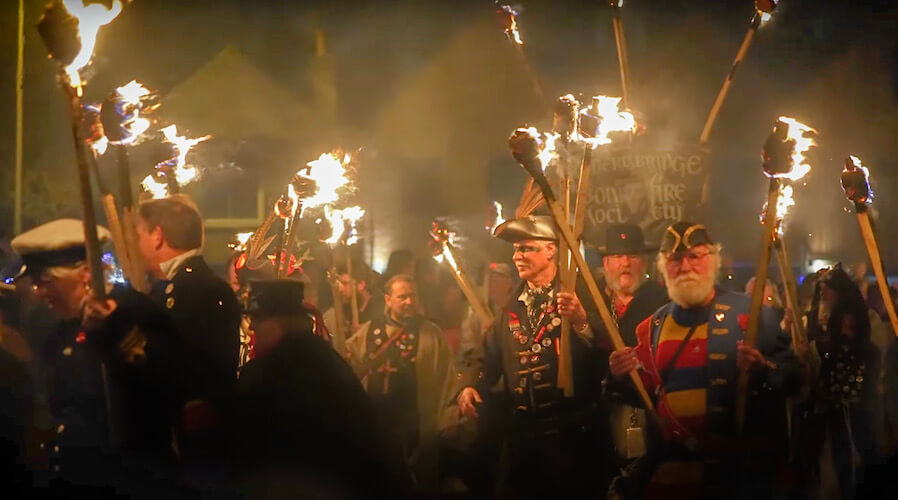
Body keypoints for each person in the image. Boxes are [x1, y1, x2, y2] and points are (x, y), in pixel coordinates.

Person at [607, 221, 799, 498]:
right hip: (673, 482)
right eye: (674, 259)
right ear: (662, 266)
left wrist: (763, 369)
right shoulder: (653, 326)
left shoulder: (755, 315)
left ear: (713, 261)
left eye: (694, 257)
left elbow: (796, 379)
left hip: (739, 481)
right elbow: (647, 393)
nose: (685, 267)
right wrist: (619, 375)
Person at [11, 219, 185, 496]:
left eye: (46, 282)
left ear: (84, 274)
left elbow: (164, 379)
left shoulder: (132, 310)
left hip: (131, 479)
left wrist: (112, 329)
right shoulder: (60, 329)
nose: (40, 293)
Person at [456, 215, 609, 498]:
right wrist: (470, 384)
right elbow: (484, 359)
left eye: (526, 248)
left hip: (573, 438)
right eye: (516, 250)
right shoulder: (509, 308)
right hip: (523, 441)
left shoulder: (580, 295)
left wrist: (580, 321)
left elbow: (604, 348)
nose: (518, 256)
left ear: (550, 250)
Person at [231, 279, 393, 498]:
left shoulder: (269, 371)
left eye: (257, 319)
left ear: (280, 321)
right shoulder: (325, 357)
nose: (251, 327)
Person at [135, 195, 241, 479]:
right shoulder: (174, 287)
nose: (137, 245)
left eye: (140, 235)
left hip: (191, 447)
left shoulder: (194, 289)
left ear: (157, 236)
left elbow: (184, 370)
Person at [345, 274, 456, 494]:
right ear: (388, 299)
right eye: (402, 297)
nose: (409, 302)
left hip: (417, 423)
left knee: (416, 483)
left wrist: (447, 417)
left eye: (412, 296)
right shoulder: (368, 331)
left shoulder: (430, 332)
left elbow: (447, 377)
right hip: (377, 422)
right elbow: (351, 369)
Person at [797, 265, 881, 499]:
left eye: (827, 288)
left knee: (856, 454)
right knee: (836, 455)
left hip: (855, 400)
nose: (822, 292)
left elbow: (848, 349)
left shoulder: (855, 316)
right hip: (829, 401)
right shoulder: (823, 317)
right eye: (820, 287)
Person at [593, 224, 669, 468]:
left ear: (644, 264)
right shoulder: (592, 303)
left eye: (633, 256)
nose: (625, 263)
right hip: (599, 417)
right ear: (606, 264)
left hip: (649, 412)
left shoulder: (663, 304)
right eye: (617, 257)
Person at [323, 258, 384, 356]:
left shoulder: (383, 310)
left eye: (345, 283)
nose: (340, 288)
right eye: (339, 283)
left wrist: (366, 332)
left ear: (361, 285)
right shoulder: (338, 313)